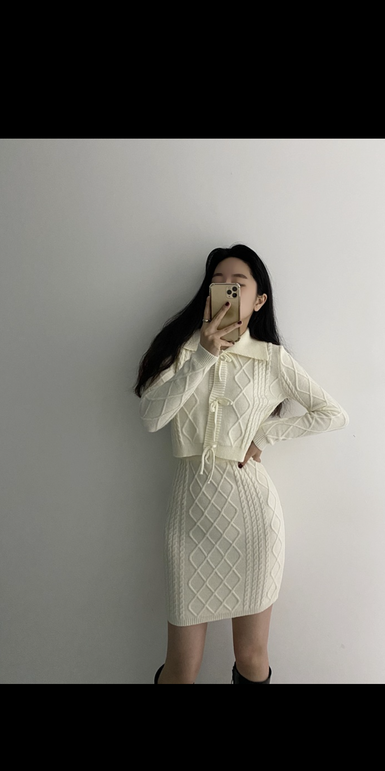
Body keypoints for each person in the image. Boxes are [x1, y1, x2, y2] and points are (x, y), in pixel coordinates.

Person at [133, 244, 349, 683]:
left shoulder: (272, 359)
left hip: (252, 519)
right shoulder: (183, 351)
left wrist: (265, 435)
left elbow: (332, 414)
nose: (225, 289)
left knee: (252, 658)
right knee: (181, 668)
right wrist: (204, 355)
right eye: (217, 282)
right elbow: (152, 418)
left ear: (259, 299)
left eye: (237, 284)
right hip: (189, 518)